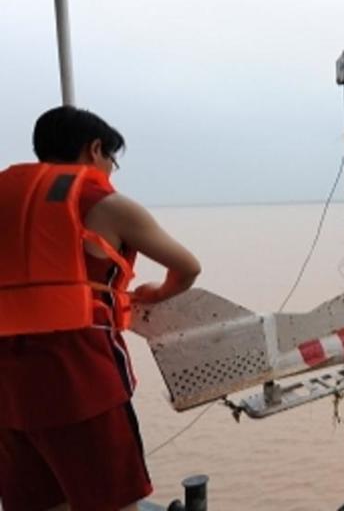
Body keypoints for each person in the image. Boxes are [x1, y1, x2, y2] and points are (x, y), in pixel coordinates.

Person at [0, 106, 201, 511]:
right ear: (95, 149)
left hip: (6, 389)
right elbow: (186, 267)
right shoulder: (104, 204)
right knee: (114, 503)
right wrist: (157, 293)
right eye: (112, 160)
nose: (110, 170)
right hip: (80, 381)